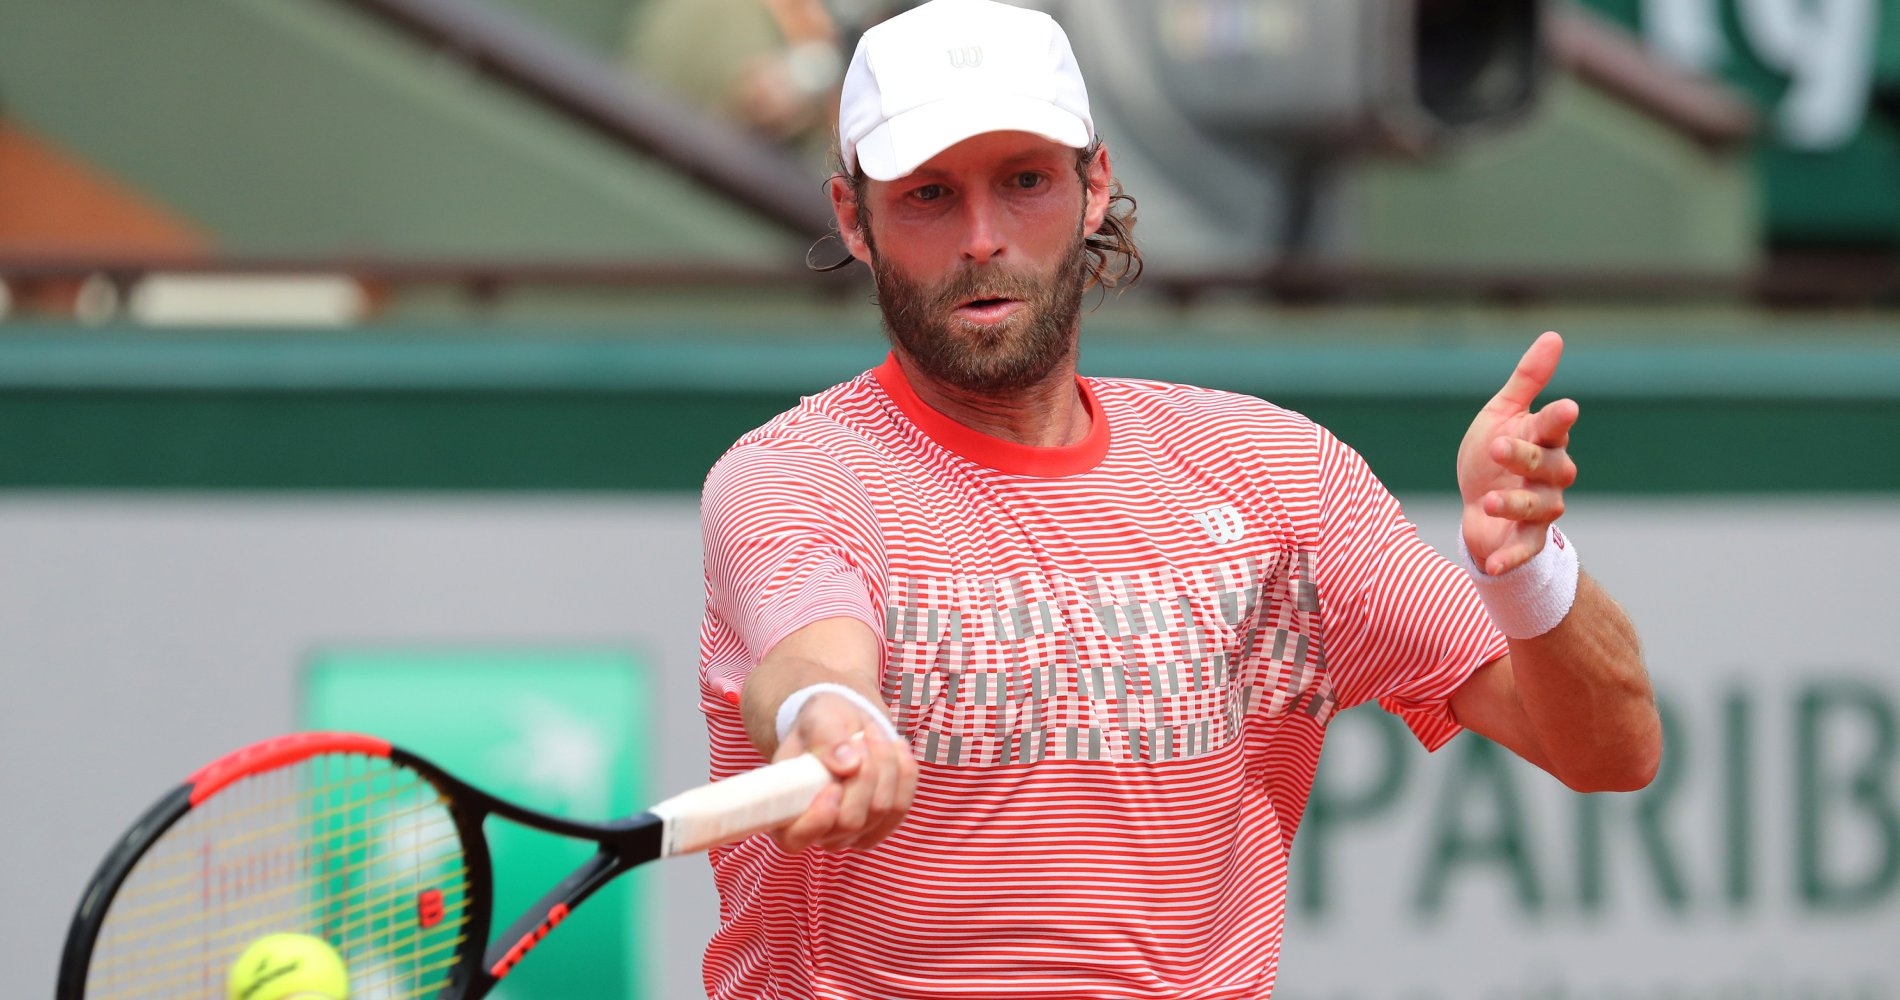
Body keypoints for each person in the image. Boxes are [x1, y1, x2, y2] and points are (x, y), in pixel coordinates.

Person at [695, 1, 1662, 996]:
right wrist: (830, 716)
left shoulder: (1278, 478)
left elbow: (1609, 752)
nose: (982, 236)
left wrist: (1529, 574)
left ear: (1093, 185)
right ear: (854, 218)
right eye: (930, 194)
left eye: (1024, 181)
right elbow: (809, 656)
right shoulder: (793, 474)